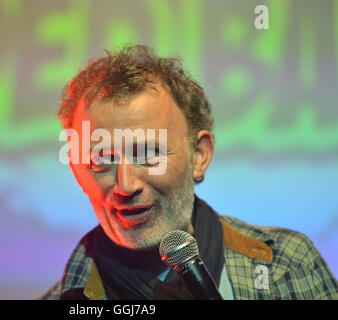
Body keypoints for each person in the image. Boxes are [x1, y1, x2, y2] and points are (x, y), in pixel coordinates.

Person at [39, 45, 338, 300]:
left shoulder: (284, 267)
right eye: (101, 159)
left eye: (148, 154)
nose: (126, 185)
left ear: (199, 155)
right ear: (77, 172)